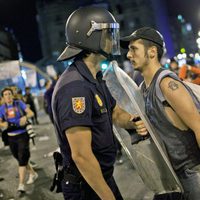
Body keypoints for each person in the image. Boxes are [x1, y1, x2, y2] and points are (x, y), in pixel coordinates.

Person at [52, 6, 147, 200]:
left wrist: (132, 121)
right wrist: (107, 196)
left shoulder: (95, 77)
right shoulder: (75, 88)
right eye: (108, 33)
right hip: (85, 185)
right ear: (90, 36)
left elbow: (113, 112)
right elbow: (81, 155)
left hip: (99, 178)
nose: (113, 39)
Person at [120, 27, 200, 200]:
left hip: (192, 175)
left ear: (152, 52)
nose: (128, 55)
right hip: (172, 177)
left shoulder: (167, 84)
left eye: (134, 49)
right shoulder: (143, 89)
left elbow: (199, 126)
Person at [0, 87, 38, 194]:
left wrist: (25, 117)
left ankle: (21, 184)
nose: (7, 96)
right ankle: (33, 173)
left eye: (9, 94)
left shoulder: (19, 103)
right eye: (5, 94)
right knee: (19, 158)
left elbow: (31, 113)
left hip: (22, 135)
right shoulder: (2, 108)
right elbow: (0, 122)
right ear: (3, 97)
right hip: (10, 137)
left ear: (12, 95)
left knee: (22, 158)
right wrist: (3, 124)